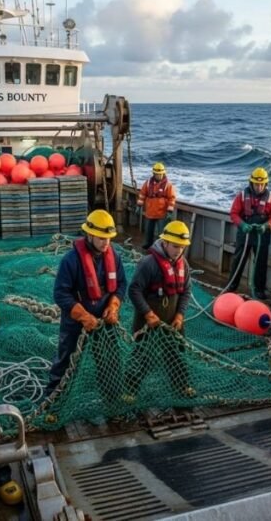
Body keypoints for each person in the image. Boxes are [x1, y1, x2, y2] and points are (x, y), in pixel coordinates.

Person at [47, 209, 128, 397]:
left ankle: (112, 398)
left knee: (110, 359)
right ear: (89, 234)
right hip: (76, 321)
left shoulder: (113, 257)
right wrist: (84, 317)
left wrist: (113, 306)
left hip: (105, 320)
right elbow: (60, 293)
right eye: (101, 238)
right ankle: (53, 401)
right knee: (65, 359)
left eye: (109, 238)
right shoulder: (71, 260)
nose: (106, 242)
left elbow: (121, 284)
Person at [124, 220, 195, 399]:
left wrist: (180, 315)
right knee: (142, 355)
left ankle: (182, 385)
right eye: (175, 246)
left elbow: (186, 291)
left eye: (182, 247)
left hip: (172, 318)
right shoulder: (148, 263)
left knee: (176, 353)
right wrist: (148, 314)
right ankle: (130, 389)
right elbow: (134, 290)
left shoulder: (183, 264)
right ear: (164, 243)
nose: (179, 250)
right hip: (147, 318)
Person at [224, 167, 271, 299]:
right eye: (257, 184)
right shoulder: (242, 196)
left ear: (266, 184)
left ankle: (259, 290)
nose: (259, 187)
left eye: (262, 184)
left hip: (262, 235)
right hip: (245, 233)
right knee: (238, 260)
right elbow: (234, 213)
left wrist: (267, 225)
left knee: (261, 263)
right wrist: (242, 224)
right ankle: (231, 286)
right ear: (251, 183)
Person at [137, 162, 177, 249]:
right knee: (148, 231)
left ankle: (161, 247)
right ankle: (148, 245)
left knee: (161, 233)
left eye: (160, 174)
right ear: (153, 174)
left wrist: (169, 211)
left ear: (163, 173)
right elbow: (142, 194)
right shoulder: (147, 183)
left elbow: (172, 198)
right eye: (157, 174)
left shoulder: (168, 185)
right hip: (150, 212)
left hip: (161, 214)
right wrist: (139, 205)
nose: (158, 176)